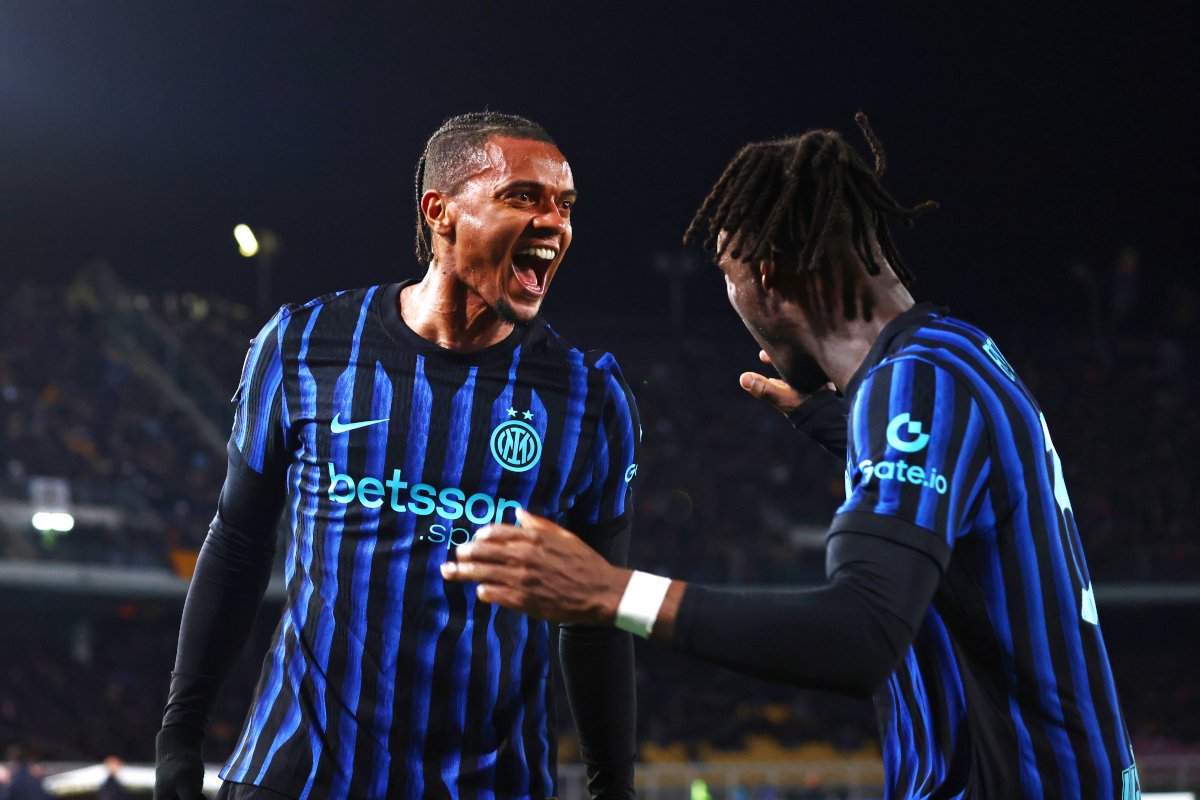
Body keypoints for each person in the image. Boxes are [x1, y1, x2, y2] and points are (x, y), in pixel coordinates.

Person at [443, 114, 1140, 799]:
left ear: (768, 273)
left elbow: (862, 633)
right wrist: (838, 426)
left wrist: (611, 591)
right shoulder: (958, 353)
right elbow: (971, 504)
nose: (732, 300)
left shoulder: (913, 385)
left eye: (726, 273)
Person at [155, 112, 640, 800]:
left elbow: (594, 617)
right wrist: (180, 735)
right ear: (440, 212)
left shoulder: (591, 397)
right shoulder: (302, 346)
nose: (554, 223)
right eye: (523, 197)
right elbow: (237, 542)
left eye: (564, 205)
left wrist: (612, 785)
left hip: (492, 784)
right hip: (297, 778)